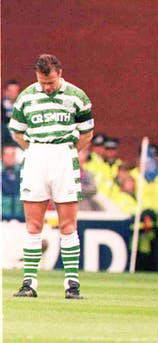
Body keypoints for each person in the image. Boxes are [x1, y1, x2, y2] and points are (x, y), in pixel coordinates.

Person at [9, 54, 94, 299]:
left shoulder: (76, 96)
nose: (47, 87)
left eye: (51, 82)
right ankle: (29, 283)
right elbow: (17, 132)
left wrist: (67, 153)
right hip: (36, 155)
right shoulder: (27, 97)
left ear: (59, 73)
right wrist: (35, 151)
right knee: (33, 224)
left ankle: (72, 284)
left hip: (63, 155)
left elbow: (87, 132)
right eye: (43, 82)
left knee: (68, 224)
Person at [2, 145, 24, 221]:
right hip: (3, 216)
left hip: (21, 217)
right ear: (2, 156)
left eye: (12, 154)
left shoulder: (22, 171)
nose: (9, 157)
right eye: (6, 154)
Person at [2, 79, 20, 147]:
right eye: (10, 91)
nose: (13, 94)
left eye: (15, 91)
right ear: (5, 92)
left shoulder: (21, 108)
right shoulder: (1, 107)